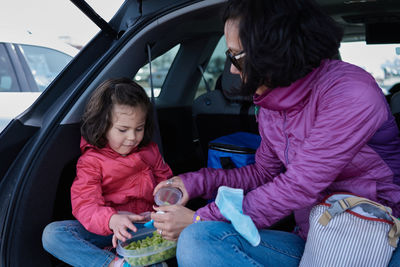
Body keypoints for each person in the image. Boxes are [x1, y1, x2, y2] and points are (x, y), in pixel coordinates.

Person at [150, 0, 400, 266]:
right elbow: (263, 173)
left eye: (236, 56)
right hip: (314, 236)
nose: (232, 69)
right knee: (197, 240)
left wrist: (203, 216)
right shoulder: (271, 104)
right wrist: (194, 183)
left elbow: (299, 185)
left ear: (274, 49)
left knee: (198, 228)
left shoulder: (350, 93)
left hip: (378, 233)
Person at [42, 78, 173, 267]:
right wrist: (112, 219)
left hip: (149, 228)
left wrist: (163, 208)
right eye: (122, 129)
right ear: (103, 127)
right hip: (111, 229)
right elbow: (85, 204)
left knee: (154, 257)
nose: (132, 137)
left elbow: (166, 185)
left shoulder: (150, 152)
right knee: (53, 234)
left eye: (139, 129)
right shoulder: (91, 162)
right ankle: (114, 264)